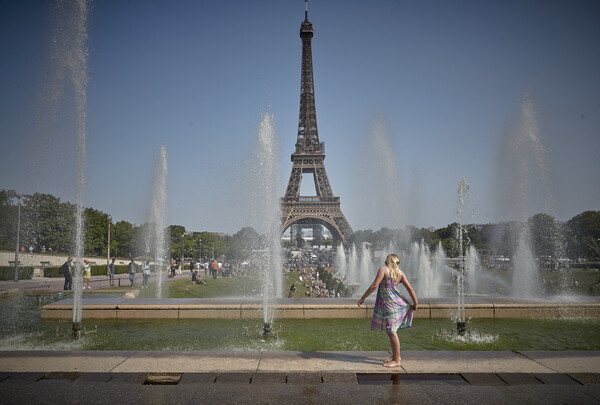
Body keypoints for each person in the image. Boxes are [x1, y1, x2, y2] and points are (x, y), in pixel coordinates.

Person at [358, 253, 418, 368]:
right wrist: (416, 303)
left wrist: (363, 297)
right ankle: (396, 356)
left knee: (391, 332)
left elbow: (374, 285)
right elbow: (410, 288)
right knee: (391, 331)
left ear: (388, 261)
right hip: (396, 304)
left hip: (389, 305)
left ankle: (397, 360)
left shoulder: (384, 270)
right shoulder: (400, 273)